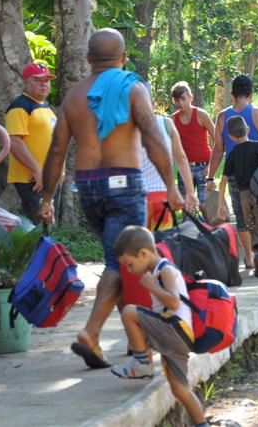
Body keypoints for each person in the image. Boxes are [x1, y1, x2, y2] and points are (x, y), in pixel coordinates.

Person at [37, 28, 183, 370]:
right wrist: (171, 186)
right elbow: (152, 137)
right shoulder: (132, 88)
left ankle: (138, 347)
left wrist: (46, 197)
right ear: (123, 58)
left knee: (121, 262)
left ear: (89, 60)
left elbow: (57, 151)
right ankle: (91, 333)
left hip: (87, 187)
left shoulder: (74, 97)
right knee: (121, 265)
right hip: (125, 184)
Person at [111, 226, 208, 427]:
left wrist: (151, 286)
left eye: (130, 264)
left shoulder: (166, 269)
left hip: (176, 330)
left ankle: (142, 364)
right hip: (177, 336)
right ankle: (202, 424)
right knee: (179, 389)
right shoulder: (156, 271)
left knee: (129, 312)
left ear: (144, 253)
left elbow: (173, 302)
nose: (129, 270)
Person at [205, 74, 258, 270]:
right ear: (250, 94)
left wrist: (210, 176)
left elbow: (217, 149)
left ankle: (249, 257)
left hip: (236, 178)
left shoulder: (223, 117)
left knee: (242, 219)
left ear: (232, 95)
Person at [217, 115, 258, 278]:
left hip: (244, 196)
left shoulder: (232, 155)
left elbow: (223, 181)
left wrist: (220, 205)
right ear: (248, 130)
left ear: (230, 136)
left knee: (250, 227)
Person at [5, 62, 58, 223]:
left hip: (49, 177)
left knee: (49, 224)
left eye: (47, 81)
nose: (44, 85)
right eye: (38, 81)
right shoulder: (20, 107)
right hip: (33, 179)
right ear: (26, 82)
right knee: (41, 225)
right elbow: (15, 143)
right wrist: (37, 171)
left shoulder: (46, 107)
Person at [142, 99, 198, 230]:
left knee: (141, 247)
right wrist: (190, 192)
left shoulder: (126, 128)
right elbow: (181, 159)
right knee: (162, 246)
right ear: (153, 103)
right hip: (164, 198)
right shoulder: (166, 124)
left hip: (138, 200)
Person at [171, 81, 215, 207]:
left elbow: (218, 140)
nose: (181, 103)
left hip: (203, 166)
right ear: (174, 101)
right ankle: (189, 226)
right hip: (185, 167)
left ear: (191, 97)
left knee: (205, 206)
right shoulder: (173, 120)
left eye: (183, 99)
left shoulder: (201, 115)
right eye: (177, 100)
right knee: (186, 208)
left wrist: (211, 166)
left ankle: (208, 227)